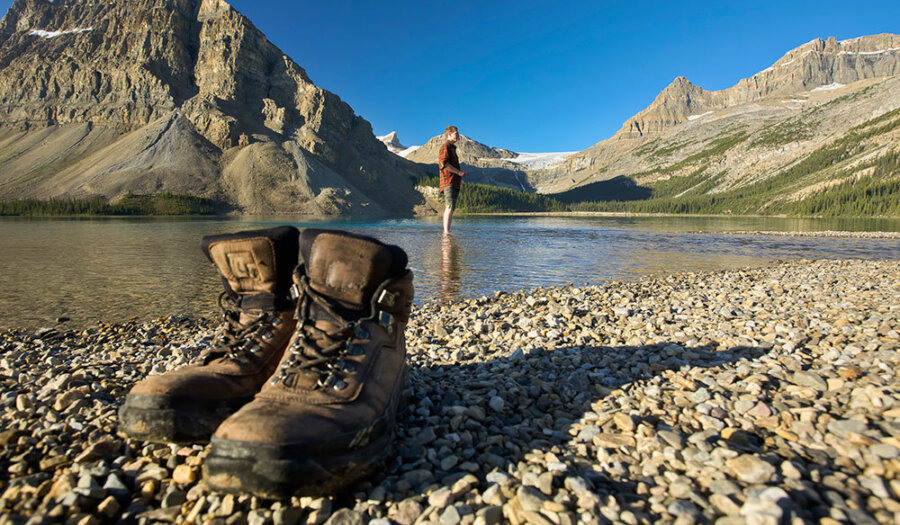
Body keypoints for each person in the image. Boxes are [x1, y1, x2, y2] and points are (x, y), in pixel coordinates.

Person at [438, 125, 466, 234]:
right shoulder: (445, 146)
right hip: (448, 181)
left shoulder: (452, 148)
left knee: (452, 207)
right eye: (456, 133)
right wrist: (458, 172)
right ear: (449, 134)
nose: (458, 135)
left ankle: (447, 231)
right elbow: (444, 163)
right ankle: (446, 232)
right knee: (449, 206)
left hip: (454, 182)